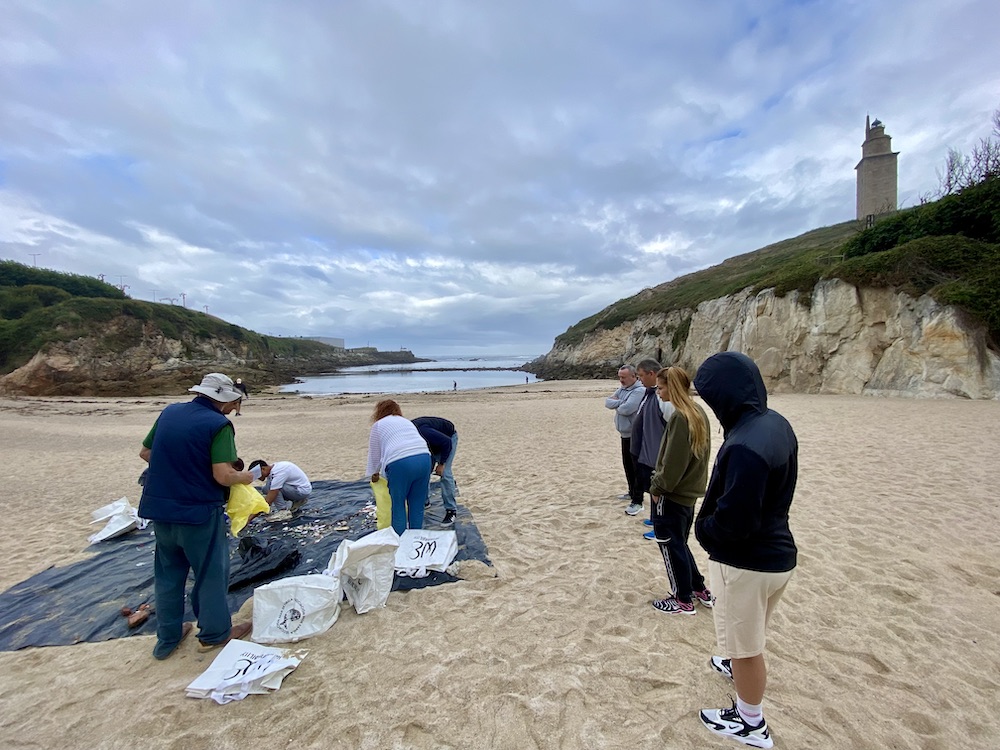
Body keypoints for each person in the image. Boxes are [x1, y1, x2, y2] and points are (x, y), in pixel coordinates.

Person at [693, 352, 798, 749]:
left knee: (746, 647)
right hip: (778, 556)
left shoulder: (744, 446)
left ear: (724, 395)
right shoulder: (774, 424)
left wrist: (704, 531)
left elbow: (736, 523)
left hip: (748, 563)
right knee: (751, 628)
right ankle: (733, 663)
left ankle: (750, 722)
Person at [138, 372, 254, 660]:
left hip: (160, 509)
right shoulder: (218, 424)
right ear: (223, 399)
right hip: (198, 511)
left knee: (167, 575)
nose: (233, 407)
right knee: (210, 573)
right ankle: (215, 634)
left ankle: (168, 637)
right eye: (232, 402)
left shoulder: (170, 412)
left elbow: (146, 452)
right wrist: (246, 476)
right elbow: (223, 474)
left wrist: (181, 465)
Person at [647, 366, 714, 615]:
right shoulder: (698, 413)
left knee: (670, 544)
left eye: (661, 387)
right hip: (688, 493)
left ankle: (682, 599)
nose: (658, 392)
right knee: (680, 543)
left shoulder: (680, 417)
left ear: (672, 387)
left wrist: (657, 488)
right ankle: (698, 588)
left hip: (672, 494)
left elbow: (673, 462)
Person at [366, 399, 432, 535]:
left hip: (399, 463)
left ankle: (400, 541)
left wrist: (374, 472)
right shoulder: (406, 422)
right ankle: (415, 539)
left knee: (398, 505)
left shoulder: (378, 425)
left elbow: (374, 454)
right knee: (417, 504)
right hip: (424, 458)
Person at [627, 358, 672, 516]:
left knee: (657, 488)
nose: (639, 379)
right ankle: (654, 518)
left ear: (651, 373)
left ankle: (657, 521)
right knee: (650, 486)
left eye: (641, 376)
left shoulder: (663, 398)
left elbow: (670, 427)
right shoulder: (650, 394)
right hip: (644, 450)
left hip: (654, 453)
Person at [604, 365, 645, 503]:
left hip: (634, 434)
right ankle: (631, 491)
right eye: (619, 377)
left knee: (635, 467)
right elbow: (608, 402)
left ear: (634, 376)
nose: (621, 380)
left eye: (624, 377)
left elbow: (627, 409)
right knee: (627, 465)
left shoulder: (639, 391)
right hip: (624, 434)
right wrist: (621, 403)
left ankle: (637, 497)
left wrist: (618, 403)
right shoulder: (622, 389)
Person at [412, 416, 459, 526]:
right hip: (431, 444)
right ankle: (425, 502)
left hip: (448, 439)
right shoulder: (408, 435)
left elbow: (446, 442)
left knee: (445, 474)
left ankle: (451, 510)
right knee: (424, 472)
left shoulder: (423, 432)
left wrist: (441, 464)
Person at [247, 459, 312, 513]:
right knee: (265, 489)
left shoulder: (279, 471)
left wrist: (258, 511)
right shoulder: (273, 469)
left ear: (263, 469)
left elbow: (273, 492)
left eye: (257, 475)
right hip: (293, 487)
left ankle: (283, 511)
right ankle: (297, 500)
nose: (258, 478)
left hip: (302, 491)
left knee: (274, 489)